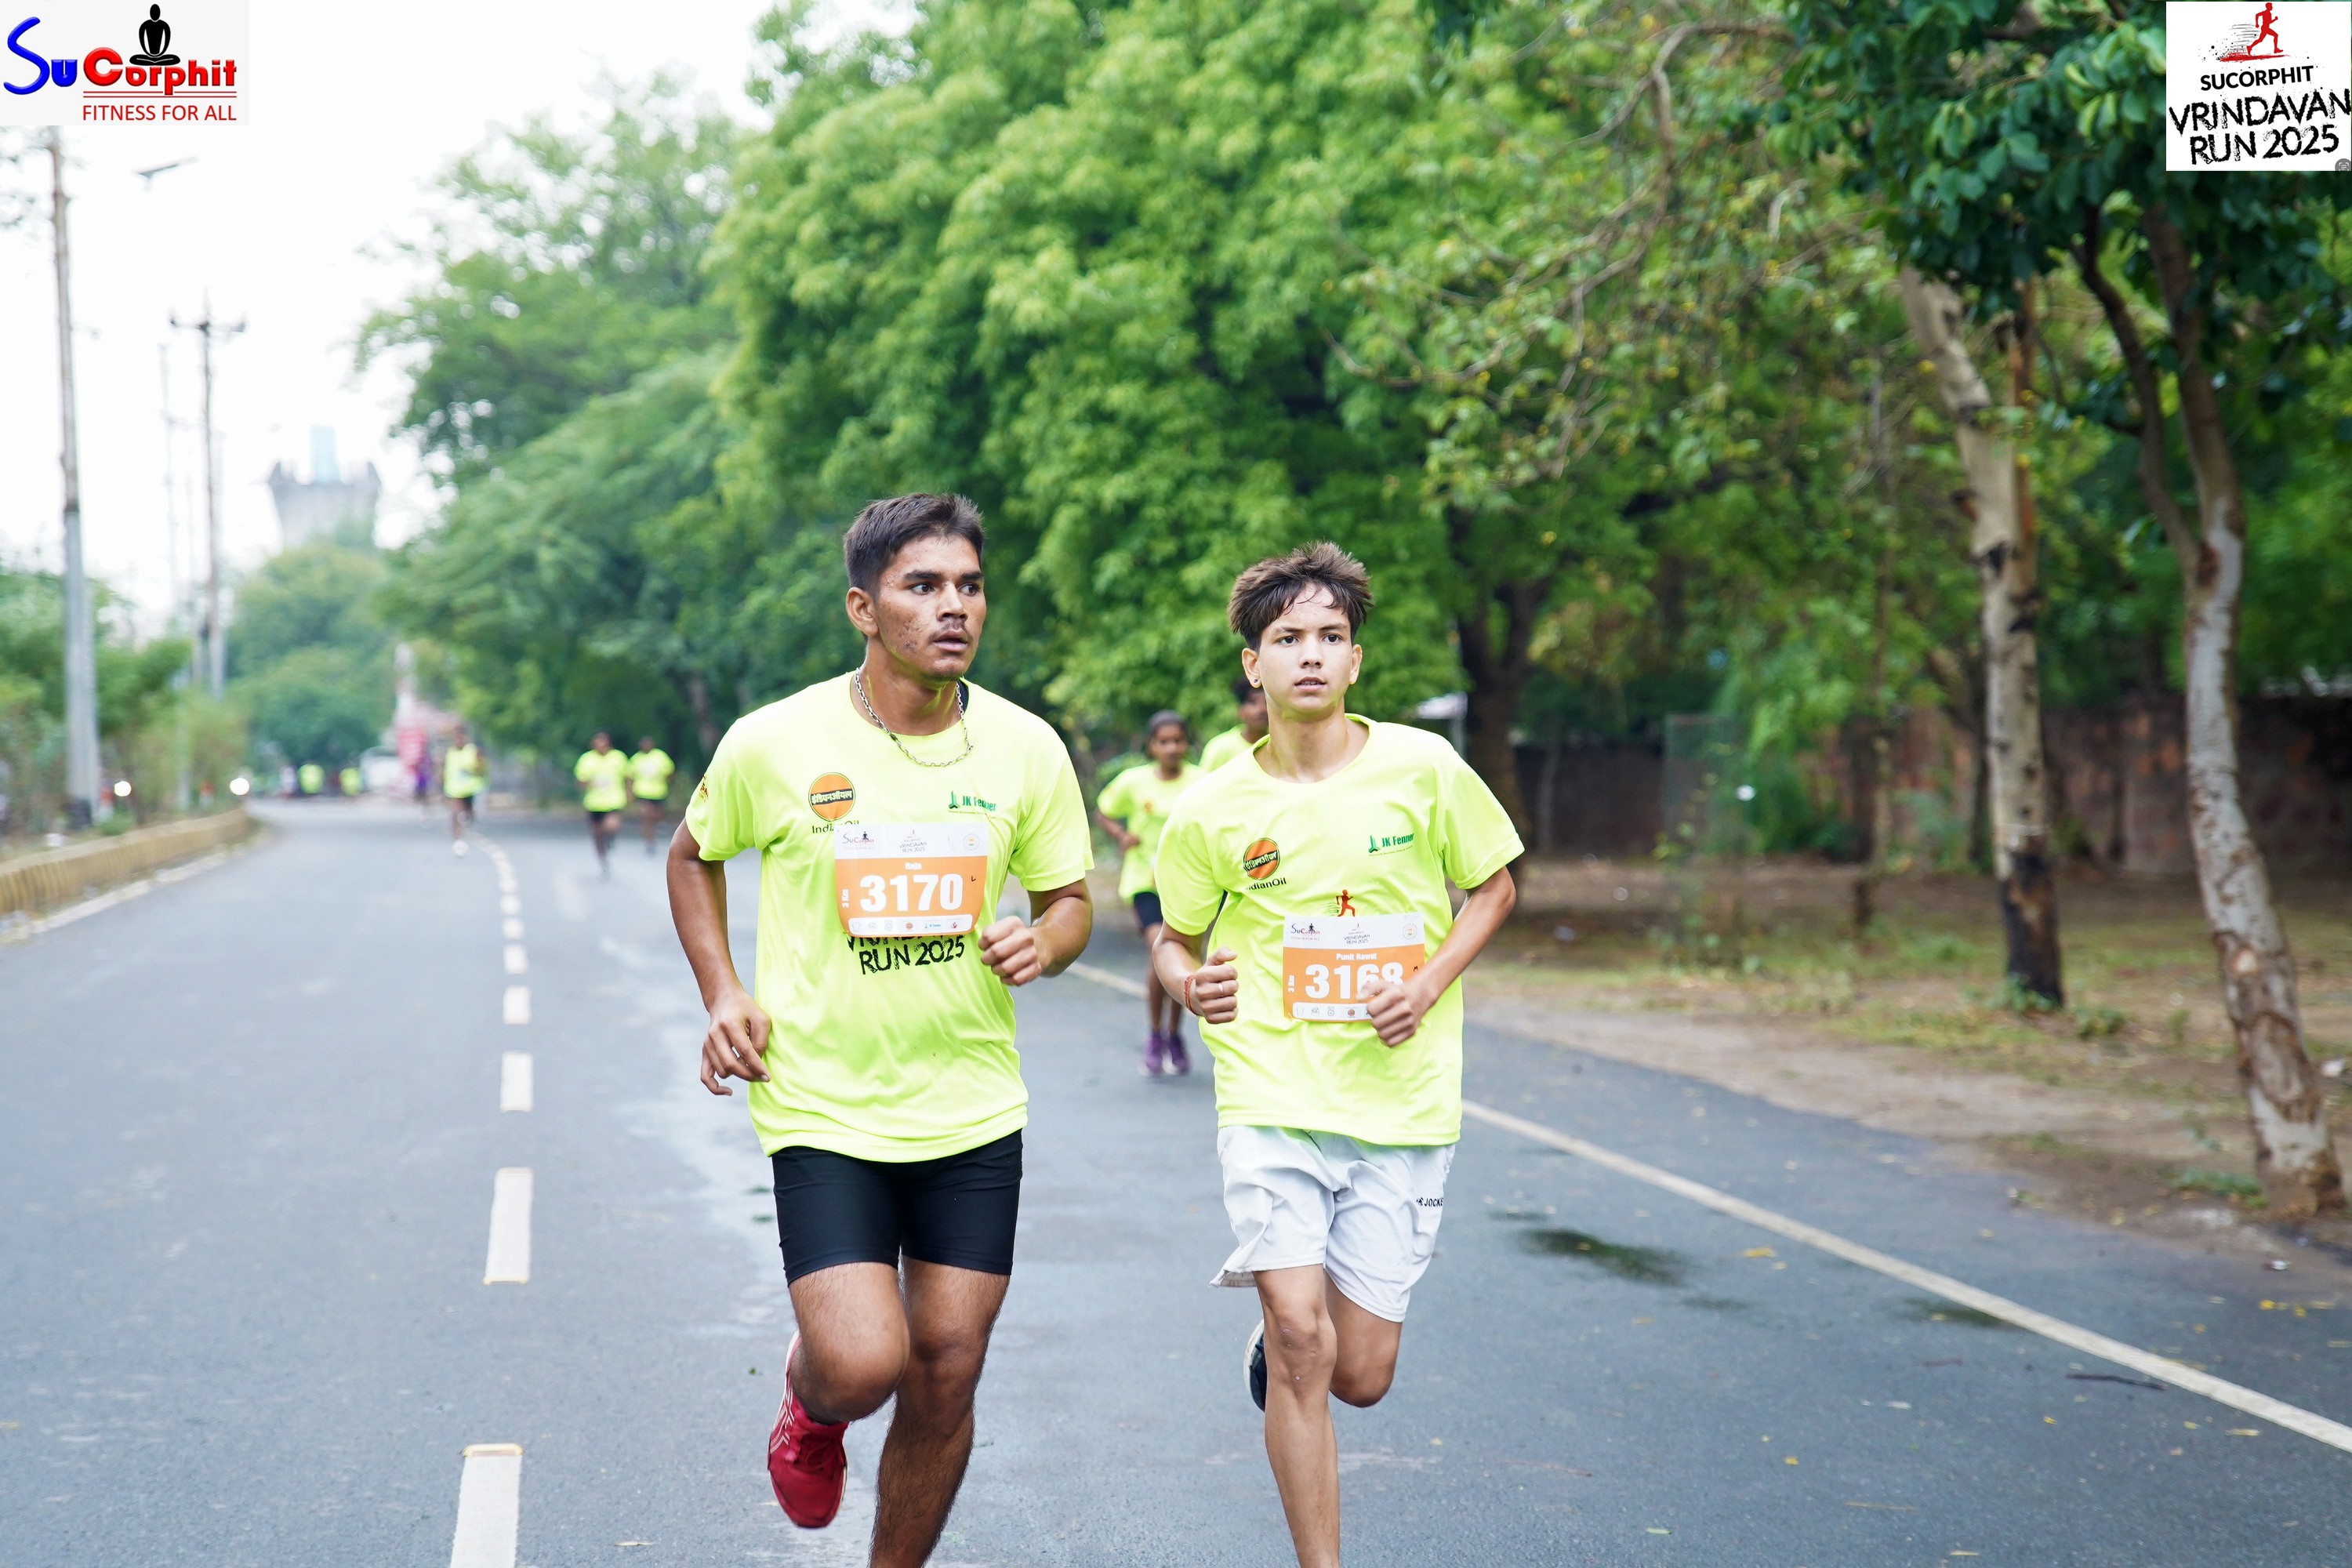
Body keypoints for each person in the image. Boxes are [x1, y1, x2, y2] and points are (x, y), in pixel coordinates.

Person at [666, 492, 1093, 1566]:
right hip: (825, 1103)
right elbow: (693, 854)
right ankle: (810, 1404)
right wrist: (723, 992)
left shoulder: (1026, 748)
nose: (955, 606)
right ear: (864, 608)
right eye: (923, 585)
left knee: (947, 1370)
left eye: (970, 585)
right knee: (863, 1362)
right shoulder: (776, 741)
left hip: (971, 1105)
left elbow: (1070, 902)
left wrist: (1047, 942)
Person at [1151, 543, 1521, 1568]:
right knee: (1306, 1345)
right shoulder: (1215, 805)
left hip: (1401, 1103)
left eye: (1330, 637)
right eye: (1288, 638)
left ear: (1356, 659)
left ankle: (1285, 1341)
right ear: (1253, 664)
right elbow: (1173, 935)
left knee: (1360, 1373)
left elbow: (1493, 886)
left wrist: (1427, 983)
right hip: (1270, 1095)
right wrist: (1187, 982)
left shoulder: (1424, 769)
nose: (1310, 655)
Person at [1093, 711, 1203, 1075]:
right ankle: (1155, 1034)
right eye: (1163, 741)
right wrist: (1122, 835)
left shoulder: (1202, 782)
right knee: (1161, 950)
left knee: (1185, 959)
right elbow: (1103, 812)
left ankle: (1175, 1034)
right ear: (1152, 746)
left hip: (1189, 883)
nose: (1171, 748)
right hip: (1145, 881)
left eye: (1178, 740)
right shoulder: (1134, 782)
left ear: (1187, 743)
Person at [575, 731, 630, 877]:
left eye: (603, 742)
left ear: (608, 743)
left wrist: (629, 792)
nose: (600, 745)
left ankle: (611, 838)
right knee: (597, 835)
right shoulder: (587, 759)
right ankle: (603, 860)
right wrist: (589, 783)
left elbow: (628, 776)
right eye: (597, 743)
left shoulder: (618, 757)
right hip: (594, 803)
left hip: (614, 800)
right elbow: (581, 780)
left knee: (611, 826)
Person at [1199, 674, 1269, 772]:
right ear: (1240, 710)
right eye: (1253, 702)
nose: (1262, 709)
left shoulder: (1283, 745)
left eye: (1267, 702)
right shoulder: (1220, 748)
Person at [630, 735, 676, 855]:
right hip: (642, 792)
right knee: (646, 816)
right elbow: (630, 776)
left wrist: (667, 781)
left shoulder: (660, 756)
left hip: (658, 792)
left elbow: (670, 771)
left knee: (655, 816)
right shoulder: (636, 759)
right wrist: (630, 792)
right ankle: (649, 842)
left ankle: (659, 825)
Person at [444, 725, 485, 855]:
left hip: (470, 789)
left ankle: (468, 821)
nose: (459, 740)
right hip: (454, 790)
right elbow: (444, 770)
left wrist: (472, 770)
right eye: (456, 738)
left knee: (468, 815)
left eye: (461, 737)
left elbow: (481, 768)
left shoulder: (473, 751)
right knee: (455, 814)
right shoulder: (450, 753)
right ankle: (458, 841)